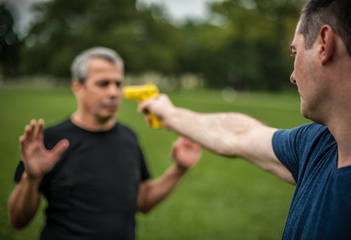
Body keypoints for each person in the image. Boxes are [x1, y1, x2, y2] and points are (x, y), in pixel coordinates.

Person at [139, 0, 351, 239]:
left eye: (295, 52)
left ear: (324, 43)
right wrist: (169, 114)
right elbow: (238, 133)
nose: (292, 76)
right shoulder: (319, 144)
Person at [7, 47, 202, 240]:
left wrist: (179, 169)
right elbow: (18, 220)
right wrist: (31, 178)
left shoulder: (129, 138)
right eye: (103, 84)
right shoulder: (49, 141)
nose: (114, 92)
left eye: (118, 84)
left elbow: (142, 202)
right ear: (78, 87)